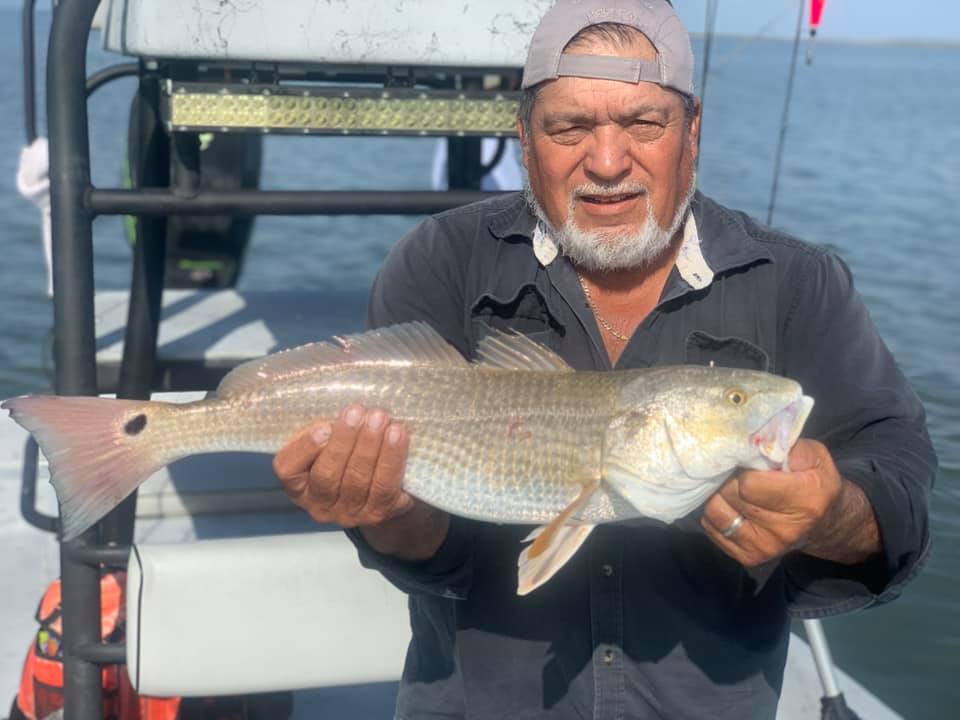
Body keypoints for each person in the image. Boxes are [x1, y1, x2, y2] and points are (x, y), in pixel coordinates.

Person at [272, 1, 936, 717]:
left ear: (692, 131)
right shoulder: (443, 263)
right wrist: (383, 511)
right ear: (525, 139)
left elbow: (898, 484)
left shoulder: (799, 283)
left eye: (643, 123)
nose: (609, 161)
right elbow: (428, 553)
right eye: (570, 127)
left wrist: (833, 511)